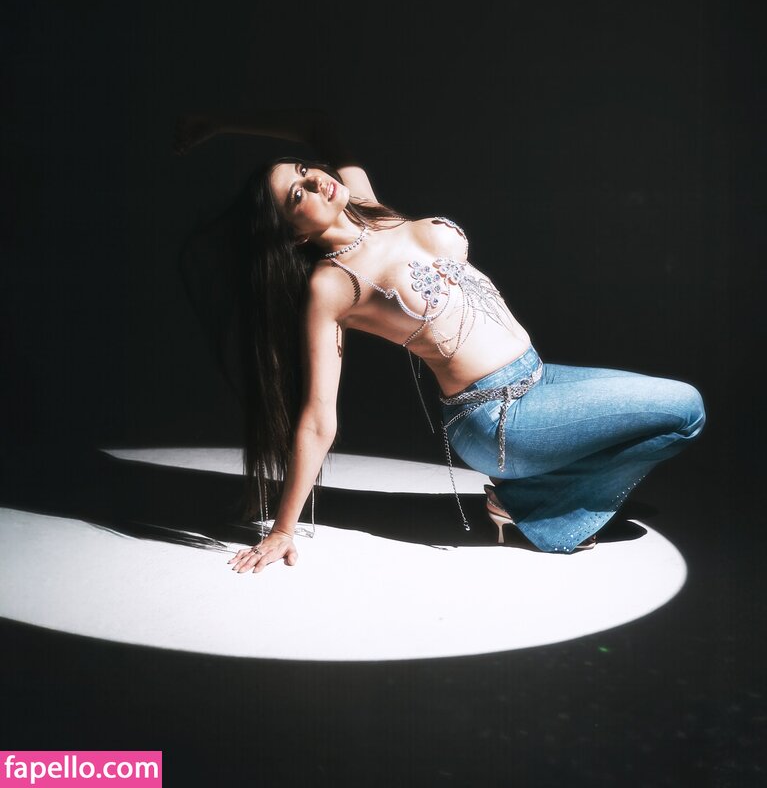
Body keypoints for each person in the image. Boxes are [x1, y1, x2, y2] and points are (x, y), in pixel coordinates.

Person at [174, 109, 706, 574]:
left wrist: (219, 123)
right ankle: (531, 505)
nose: (316, 182)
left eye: (305, 170)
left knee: (670, 417)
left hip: (541, 377)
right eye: (298, 195)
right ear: (293, 235)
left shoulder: (366, 205)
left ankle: (527, 498)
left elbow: (318, 125)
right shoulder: (332, 285)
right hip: (496, 418)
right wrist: (283, 529)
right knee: (685, 409)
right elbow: (317, 417)